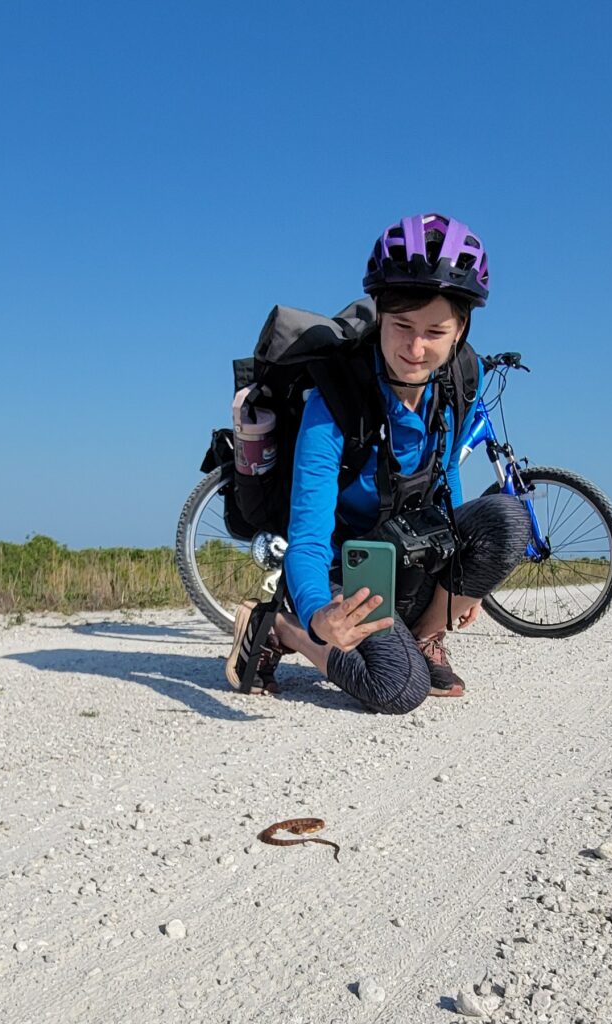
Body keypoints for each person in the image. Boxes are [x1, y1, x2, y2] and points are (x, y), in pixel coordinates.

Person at [225, 213, 531, 713]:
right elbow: (308, 536)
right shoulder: (335, 405)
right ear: (380, 316)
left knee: (508, 517)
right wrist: (321, 613)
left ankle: (425, 637)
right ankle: (282, 626)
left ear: (461, 329)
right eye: (402, 326)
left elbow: (446, 478)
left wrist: (462, 580)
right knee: (397, 689)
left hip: (408, 554)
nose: (415, 348)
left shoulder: (458, 384)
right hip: (346, 571)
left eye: (436, 330)